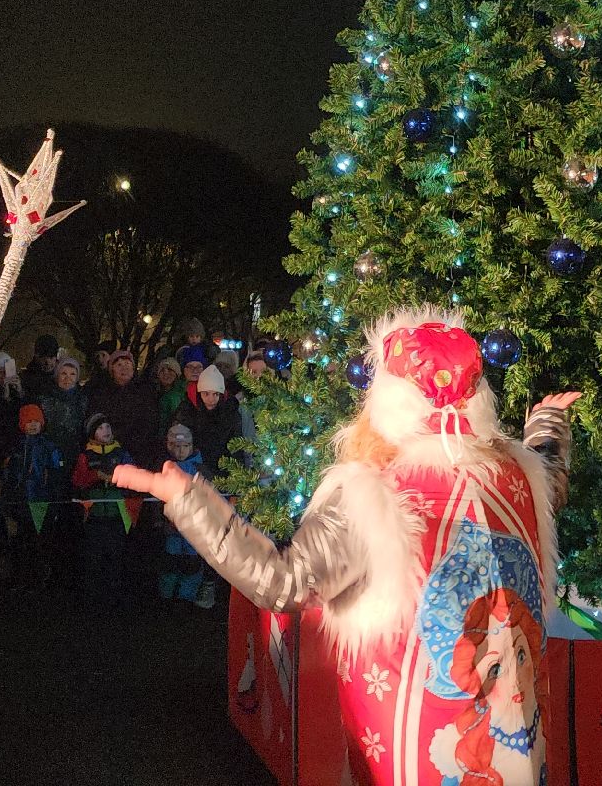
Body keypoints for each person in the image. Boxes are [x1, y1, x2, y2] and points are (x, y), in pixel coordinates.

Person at [119, 307, 573, 786]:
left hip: (411, 755)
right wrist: (548, 424)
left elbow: (283, 582)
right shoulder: (518, 476)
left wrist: (188, 500)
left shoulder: (376, 495)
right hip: (516, 747)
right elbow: (551, 477)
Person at [71, 413, 135, 602]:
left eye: (107, 427)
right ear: (92, 433)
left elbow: (134, 475)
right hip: (94, 515)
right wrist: (96, 476)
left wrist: (119, 476)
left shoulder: (121, 453)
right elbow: (78, 480)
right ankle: (93, 596)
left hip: (117, 514)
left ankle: (115, 594)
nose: (105, 431)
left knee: (116, 555)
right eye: (100, 428)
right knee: (93, 556)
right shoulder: (86, 455)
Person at [1, 404, 63, 590]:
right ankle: (20, 578)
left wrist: (53, 501)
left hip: (41, 501)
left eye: (36, 421)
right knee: (20, 542)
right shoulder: (16, 448)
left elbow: (56, 475)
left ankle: (40, 579)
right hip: (20, 501)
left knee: (40, 542)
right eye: (29, 421)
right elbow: (8, 475)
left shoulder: (49, 447)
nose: (33, 425)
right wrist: (9, 499)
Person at [155, 424, 209, 606]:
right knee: (170, 561)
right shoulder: (164, 468)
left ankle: (186, 598)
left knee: (192, 562)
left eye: (185, 446)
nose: (181, 451)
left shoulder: (200, 468)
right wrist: (159, 519)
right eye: (176, 446)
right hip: (171, 526)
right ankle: (166, 596)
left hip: (194, 527)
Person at [87, 350, 158, 468]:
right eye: (119, 365)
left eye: (127, 364)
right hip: (110, 451)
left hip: (140, 451)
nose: (124, 368)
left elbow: (150, 422)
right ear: (112, 370)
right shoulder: (102, 393)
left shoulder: (145, 391)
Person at [171, 364, 239, 472]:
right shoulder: (187, 411)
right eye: (206, 394)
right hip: (193, 468)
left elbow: (237, 445)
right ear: (200, 393)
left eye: (215, 394)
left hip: (223, 470)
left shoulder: (230, 412)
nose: (211, 399)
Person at [38, 356, 88, 460]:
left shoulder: (84, 400)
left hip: (78, 454)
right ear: (57, 376)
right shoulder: (45, 399)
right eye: (63, 373)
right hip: (51, 455)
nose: (67, 378)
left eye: (72, 374)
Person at [20, 335, 60, 402]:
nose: (48, 363)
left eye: (51, 357)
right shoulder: (25, 378)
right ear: (36, 357)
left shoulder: (63, 376)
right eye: (43, 358)